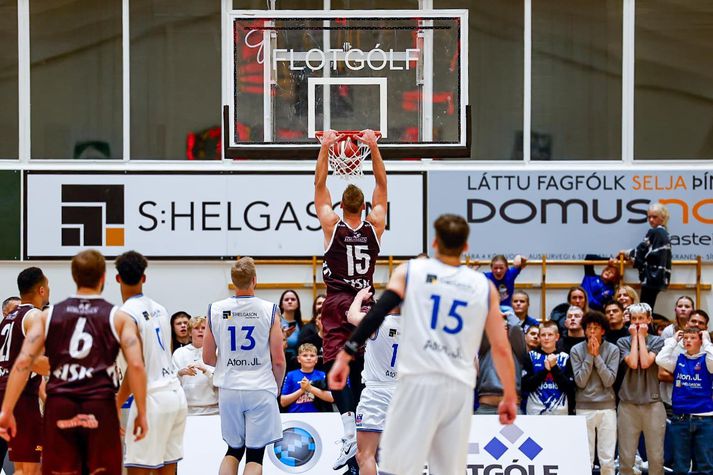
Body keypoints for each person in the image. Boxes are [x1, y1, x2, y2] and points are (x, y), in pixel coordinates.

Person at [329, 214, 517, 475]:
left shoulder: (412, 273)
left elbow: (376, 313)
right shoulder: (483, 286)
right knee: (447, 468)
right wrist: (509, 395)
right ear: (465, 247)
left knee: (398, 463)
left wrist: (346, 354)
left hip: (419, 383)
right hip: (456, 387)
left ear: (435, 243)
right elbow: (501, 347)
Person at [0, 250, 148, 475]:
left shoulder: (49, 316)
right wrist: (142, 412)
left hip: (62, 404)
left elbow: (22, 363)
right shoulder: (119, 316)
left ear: (74, 277)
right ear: (103, 279)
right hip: (99, 405)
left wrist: (7, 409)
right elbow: (137, 366)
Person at [314, 128, 387, 470]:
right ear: (366, 206)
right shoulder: (376, 224)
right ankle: (373, 435)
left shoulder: (332, 224)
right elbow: (382, 186)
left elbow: (319, 187)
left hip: (339, 299)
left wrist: (327, 148)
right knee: (366, 368)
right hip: (367, 301)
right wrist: (372, 147)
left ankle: (348, 430)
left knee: (334, 361)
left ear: (342, 206)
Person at [203, 257, 286, 475]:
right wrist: (277, 387)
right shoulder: (269, 310)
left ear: (233, 280)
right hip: (260, 388)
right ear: (255, 280)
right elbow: (278, 360)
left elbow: (208, 358)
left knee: (233, 450)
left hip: (229, 388)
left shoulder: (215, 309)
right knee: (255, 454)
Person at [115, 251, 187, 474]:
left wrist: (115, 403)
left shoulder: (125, 315)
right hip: (175, 395)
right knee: (168, 466)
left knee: (138, 468)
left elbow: (137, 366)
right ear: (144, 278)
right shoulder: (161, 309)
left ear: (117, 278)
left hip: (152, 397)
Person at [0, 268, 50, 475]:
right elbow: (33, 361)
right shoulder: (35, 316)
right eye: (48, 287)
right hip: (20, 396)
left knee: (26, 466)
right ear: (41, 290)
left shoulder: (9, 317)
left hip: (5, 391)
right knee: (28, 467)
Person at [345, 288, 400, 475]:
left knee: (365, 455)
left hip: (376, 393)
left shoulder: (378, 322)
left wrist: (359, 296)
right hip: (404, 394)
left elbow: (352, 316)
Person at [616, 302, 666, 475]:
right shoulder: (622, 341)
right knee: (626, 459)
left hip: (653, 404)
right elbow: (632, 362)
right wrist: (636, 338)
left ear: (649, 319)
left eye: (641, 318)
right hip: (628, 404)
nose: (637, 323)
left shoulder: (659, 341)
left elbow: (645, 363)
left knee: (656, 457)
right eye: (634, 319)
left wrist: (641, 337)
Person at [656, 328, 713, 475]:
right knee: (680, 465)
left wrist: (707, 341)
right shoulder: (679, 360)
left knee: (705, 465)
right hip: (680, 418)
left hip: (704, 419)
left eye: (693, 338)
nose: (688, 340)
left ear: (700, 341)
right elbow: (660, 359)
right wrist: (673, 340)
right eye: (685, 338)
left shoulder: (707, 360)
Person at [570, 311, 620, 475]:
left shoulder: (612, 349)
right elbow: (580, 381)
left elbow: (609, 381)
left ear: (603, 331)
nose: (592, 332)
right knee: (585, 456)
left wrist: (597, 356)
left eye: (596, 328)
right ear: (584, 330)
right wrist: (590, 357)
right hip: (584, 408)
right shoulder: (576, 350)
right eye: (589, 328)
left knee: (607, 458)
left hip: (607, 408)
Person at [619, 202, 672, 311]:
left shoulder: (654, 232)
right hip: (660, 278)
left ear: (662, 218)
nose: (651, 220)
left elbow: (641, 252)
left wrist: (625, 252)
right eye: (649, 217)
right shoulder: (665, 234)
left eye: (654, 217)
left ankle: (647, 327)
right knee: (649, 308)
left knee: (644, 309)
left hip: (651, 277)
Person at [523, 321, 573, 415]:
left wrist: (554, 368)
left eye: (550, 335)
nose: (546, 338)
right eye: (543, 335)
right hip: (535, 411)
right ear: (539, 337)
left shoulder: (565, 357)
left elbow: (569, 388)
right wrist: (545, 371)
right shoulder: (530, 356)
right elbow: (527, 386)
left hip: (559, 411)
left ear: (557, 337)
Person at [172, 316, 219, 415]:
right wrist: (180, 373)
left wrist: (206, 371)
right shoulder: (179, 353)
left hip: (213, 409)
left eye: (203, 328)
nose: (200, 331)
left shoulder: (216, 352)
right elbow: (172, 381)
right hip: (187, 410)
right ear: (189, 332)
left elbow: (220, 381)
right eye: (196, 328)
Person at [280, 343, 333, 413]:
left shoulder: (322, 375)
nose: (308, 358)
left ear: (316, 359)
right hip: (295, 415)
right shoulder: (291, 375)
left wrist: (310, 388)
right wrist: (302, 390)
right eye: (305, 355)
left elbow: (332, 398)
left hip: (319, 416)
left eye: (312, 355)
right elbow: (283, 402)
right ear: (299, 359)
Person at [278, 290, 303, 368]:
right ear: (281, 305)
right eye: (286, 299)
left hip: (297, 365)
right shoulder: (276, 322)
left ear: (298, 304)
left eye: (293, 299)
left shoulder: (301, 325)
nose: (289, 301)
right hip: (279, 363)